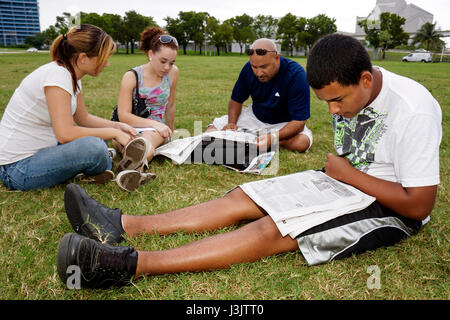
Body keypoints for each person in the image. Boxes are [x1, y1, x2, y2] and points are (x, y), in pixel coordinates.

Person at [56, 34, 441, 289]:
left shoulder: (414, 110)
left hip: (389, 209)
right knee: (246, 196)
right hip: (345, 180)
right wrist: (342, 174)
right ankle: (121, 224)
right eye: (327, 103)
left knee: (274, 229)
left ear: (366, 80)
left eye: (338, 101)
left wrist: (346, 174)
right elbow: (343, 155)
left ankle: (126, 265)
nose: (335, 111)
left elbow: (420, 205)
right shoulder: (348, 91)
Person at [0, 24, 152, 192]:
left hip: (42, 149)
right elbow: (65, 134)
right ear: (83, 58)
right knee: (94, 147)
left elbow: (83, 118)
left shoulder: (71, 74)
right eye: (104, 58)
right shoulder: (58, 77)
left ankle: (103, 162)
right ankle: (106, 162)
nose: (107, 64)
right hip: (16, 169)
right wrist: (115, 133)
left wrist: (116, 126)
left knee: (99, 139)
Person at [207, 38, 313, 153]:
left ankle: (257, 140)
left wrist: (272, 138)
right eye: (255, 67)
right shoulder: (248, 69)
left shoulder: (296, 74)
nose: (258, 73)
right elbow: (236, 100)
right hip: (255, 117)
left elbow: (299, 122)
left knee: (302, 143)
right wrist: (232, 123)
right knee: (212, 130)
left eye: (264, 67)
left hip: (283, 124)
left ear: (277, 58)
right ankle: (254, 138)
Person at [113, 27, 179, 166]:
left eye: (171, 63)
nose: (167, 67)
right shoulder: (132, 76)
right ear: (150, 54)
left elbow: (170, 105)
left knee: (144, 148)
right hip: (129, 126)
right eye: (163, 61)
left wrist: (170, 132)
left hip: (155, 132)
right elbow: (123, 115)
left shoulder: (173, 73)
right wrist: (155, 124)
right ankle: (134, 168)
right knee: (134, 144)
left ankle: (130, 165)